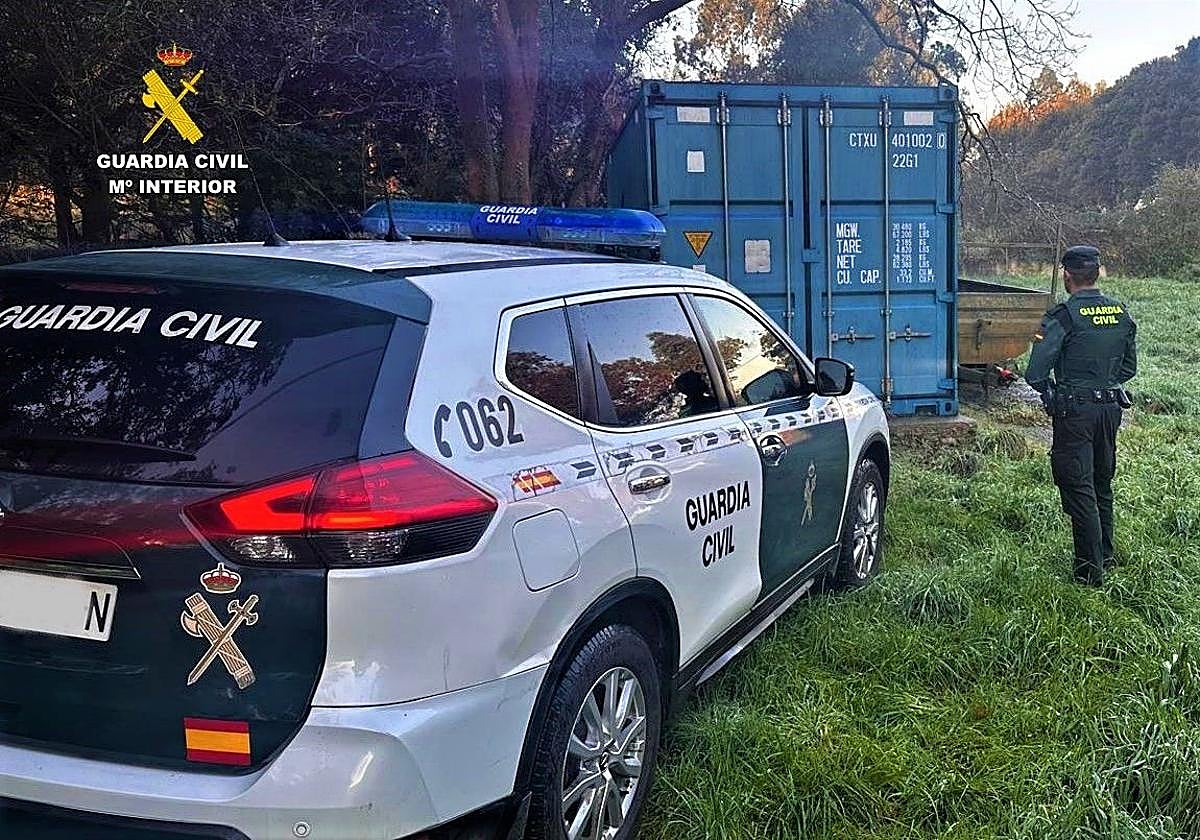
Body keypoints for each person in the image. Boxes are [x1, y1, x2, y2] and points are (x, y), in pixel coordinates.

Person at [1025, 245, 1137, 585]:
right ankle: (1105, 555)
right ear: (1097, 273)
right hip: (1110, 409)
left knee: (1079, 485)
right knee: (1102, 481)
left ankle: (1089, 573)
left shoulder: (1063, 316)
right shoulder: (1120, 312)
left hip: (1075, 412)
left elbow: (1035, 372)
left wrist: (1053, 390)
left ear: (1067, 275)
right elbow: (1129, 368)